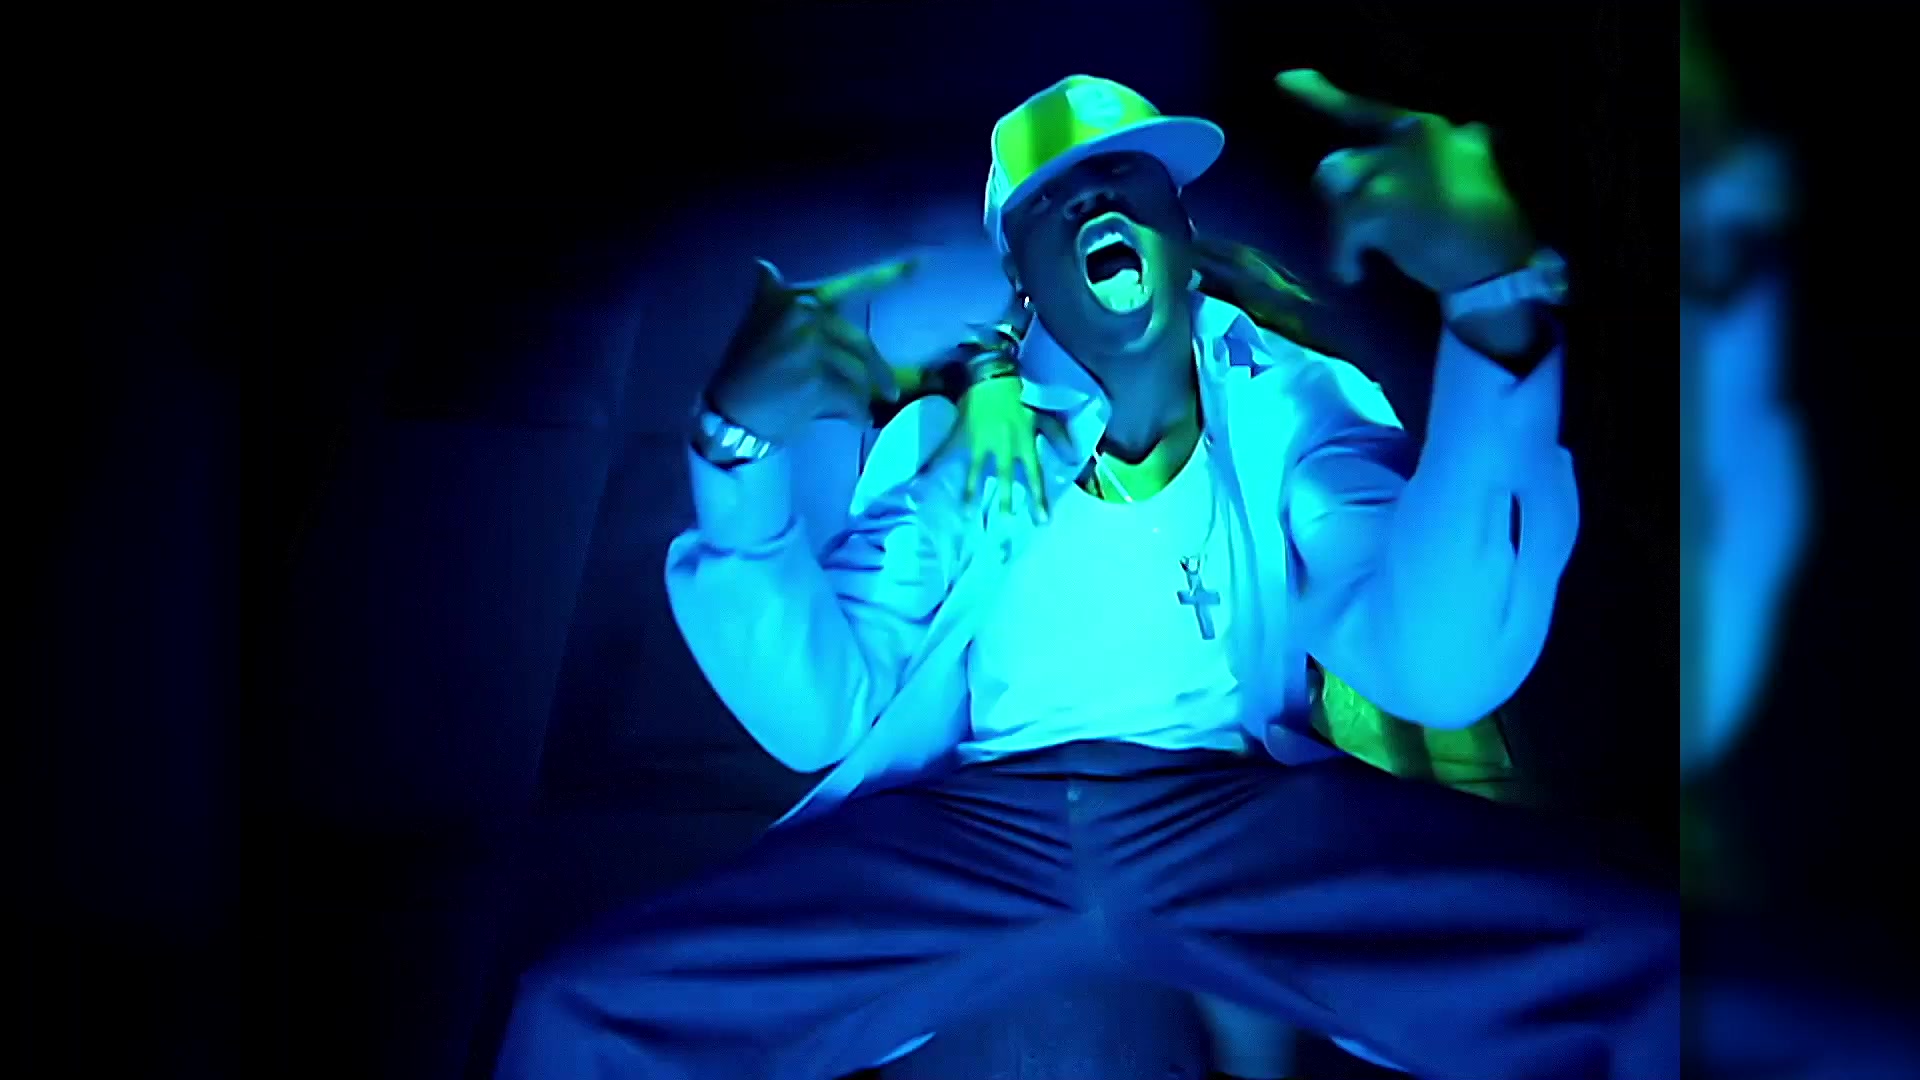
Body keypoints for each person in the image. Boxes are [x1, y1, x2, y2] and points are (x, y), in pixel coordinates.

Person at [493, 73, 1676, 1080]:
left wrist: (1494, 306)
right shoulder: (951, 444)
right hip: (976, 833)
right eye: (1054, 196)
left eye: (1126, 175)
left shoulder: (1291, 404)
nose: (1097, 198)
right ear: (1021, 272)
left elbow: (1442, 660)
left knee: (1643, 966)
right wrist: (734, 455)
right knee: (583, 1013)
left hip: (1233, 819)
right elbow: (818, 713)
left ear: (1180, 224)